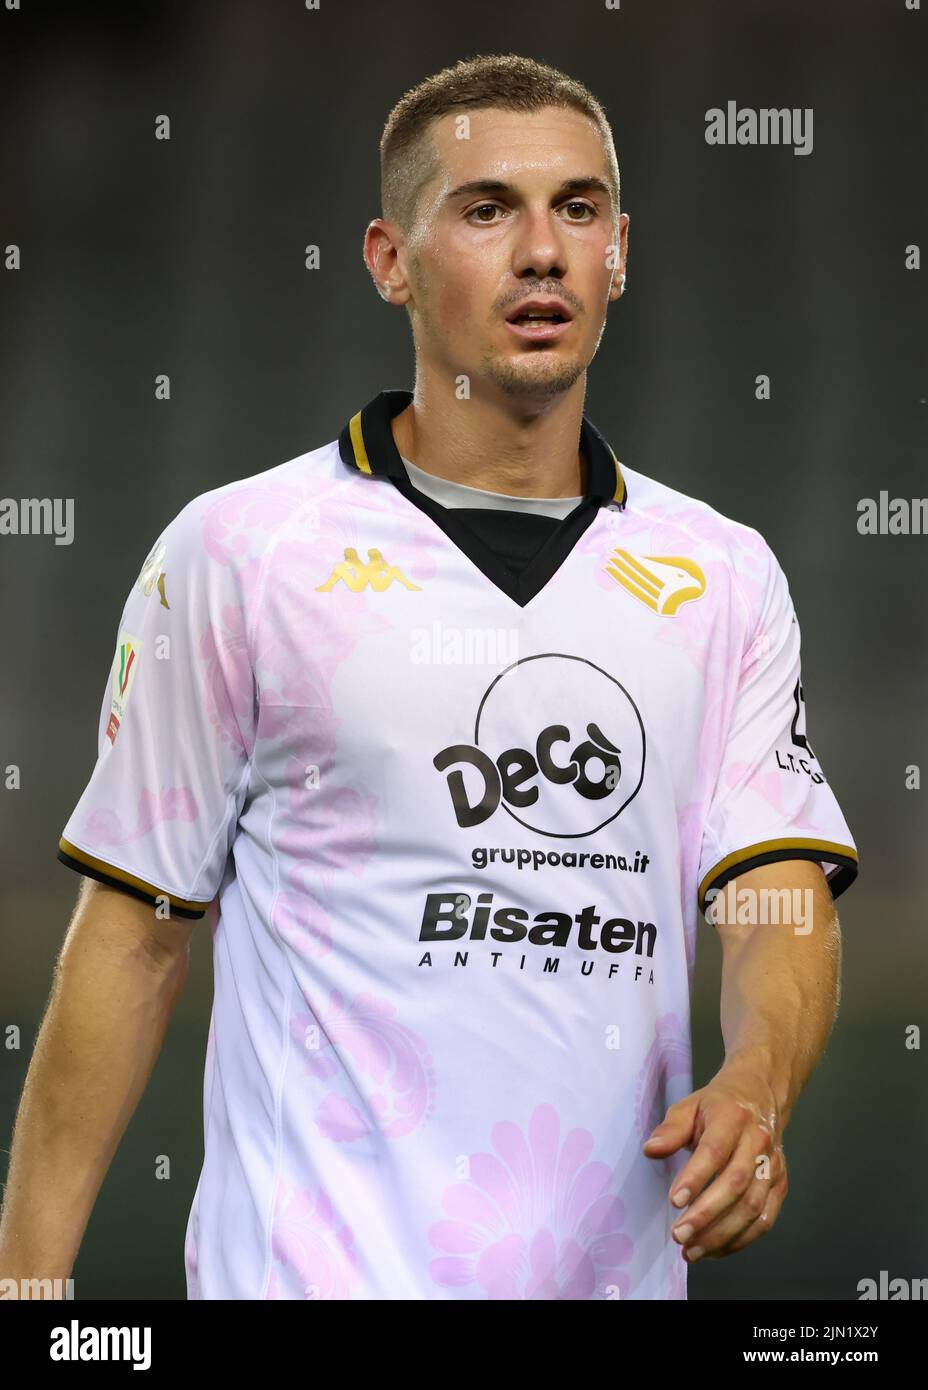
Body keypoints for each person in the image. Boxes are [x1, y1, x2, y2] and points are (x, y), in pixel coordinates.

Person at [0, 53, 858, 1301]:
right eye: (485, 208)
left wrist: (757, 1082)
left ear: (620, 252)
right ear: (387, 259)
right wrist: (30, 1290)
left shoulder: (722, 574)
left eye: (576, 209)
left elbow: (777, 883)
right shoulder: (240, 554)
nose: (543, 251)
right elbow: (133, 934)